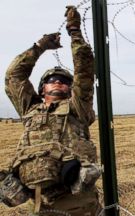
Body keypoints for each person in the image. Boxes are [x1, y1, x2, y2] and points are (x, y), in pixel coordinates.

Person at [2, 6, 101, 216]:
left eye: (64, 81)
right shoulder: (30, 109)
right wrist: (40, 46)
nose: (57, 82)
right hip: (34, 203)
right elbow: (13, 76)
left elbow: (84, 67)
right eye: (50, 80)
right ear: (42, 89)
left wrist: (74, 31)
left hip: (75, 203)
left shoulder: (77, 107)